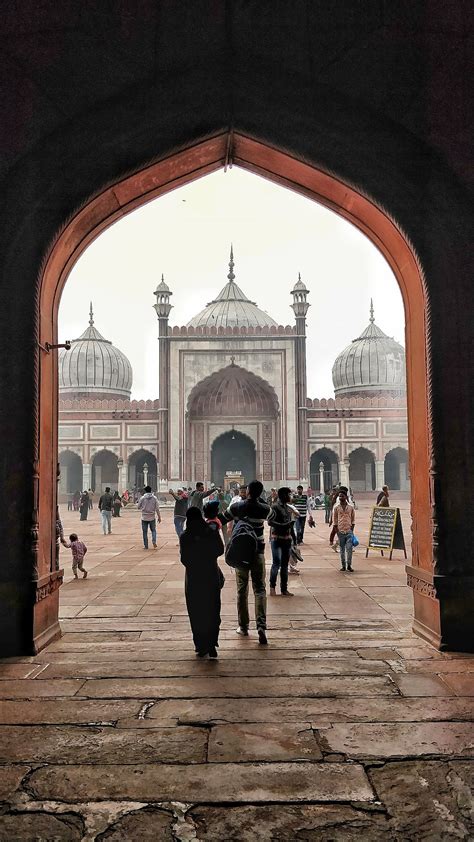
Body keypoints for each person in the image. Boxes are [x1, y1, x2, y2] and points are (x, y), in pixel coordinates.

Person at [221, 479, 270, 644]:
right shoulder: (264, 508)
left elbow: (222, 518)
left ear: (247, 492)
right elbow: (275, 517)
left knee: (242, 590)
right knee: (260, 589)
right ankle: (261, 626)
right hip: (258, 552)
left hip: (241, 552)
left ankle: (243, 626)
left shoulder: (237, 507)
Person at [179, 506, 224, 659]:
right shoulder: (210, 532)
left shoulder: (185, 536)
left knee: (196, 612)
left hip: (194, 579)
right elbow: (219, 550)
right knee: (212, 610)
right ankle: (212, 644)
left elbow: (184, 559)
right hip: (211, 576)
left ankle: (200, 644)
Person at [268, 487, 295, 596]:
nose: (290, 496)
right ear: (283, 495)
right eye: (289, 494)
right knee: (276, 563)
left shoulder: (287, 507)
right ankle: (272, 587)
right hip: (277, 538)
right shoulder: (275, 507)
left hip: (286, 539)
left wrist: (293, 537)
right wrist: (284, 526)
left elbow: (290, 524)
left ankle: (284, 589)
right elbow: (270, 522)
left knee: (284, 565)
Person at [332, 488, 355, 572]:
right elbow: (335, 520)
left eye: (342, 496)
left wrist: (352, 530)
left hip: (348, 530)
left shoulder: (351, 508)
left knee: (349, 549)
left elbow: (353, 520)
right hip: (340, 531)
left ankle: (349, 565)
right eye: (339, 496)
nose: (340, 497)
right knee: (342, 550)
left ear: (345, 497)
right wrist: (337, 531)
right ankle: (343, 565)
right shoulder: (336, 508)